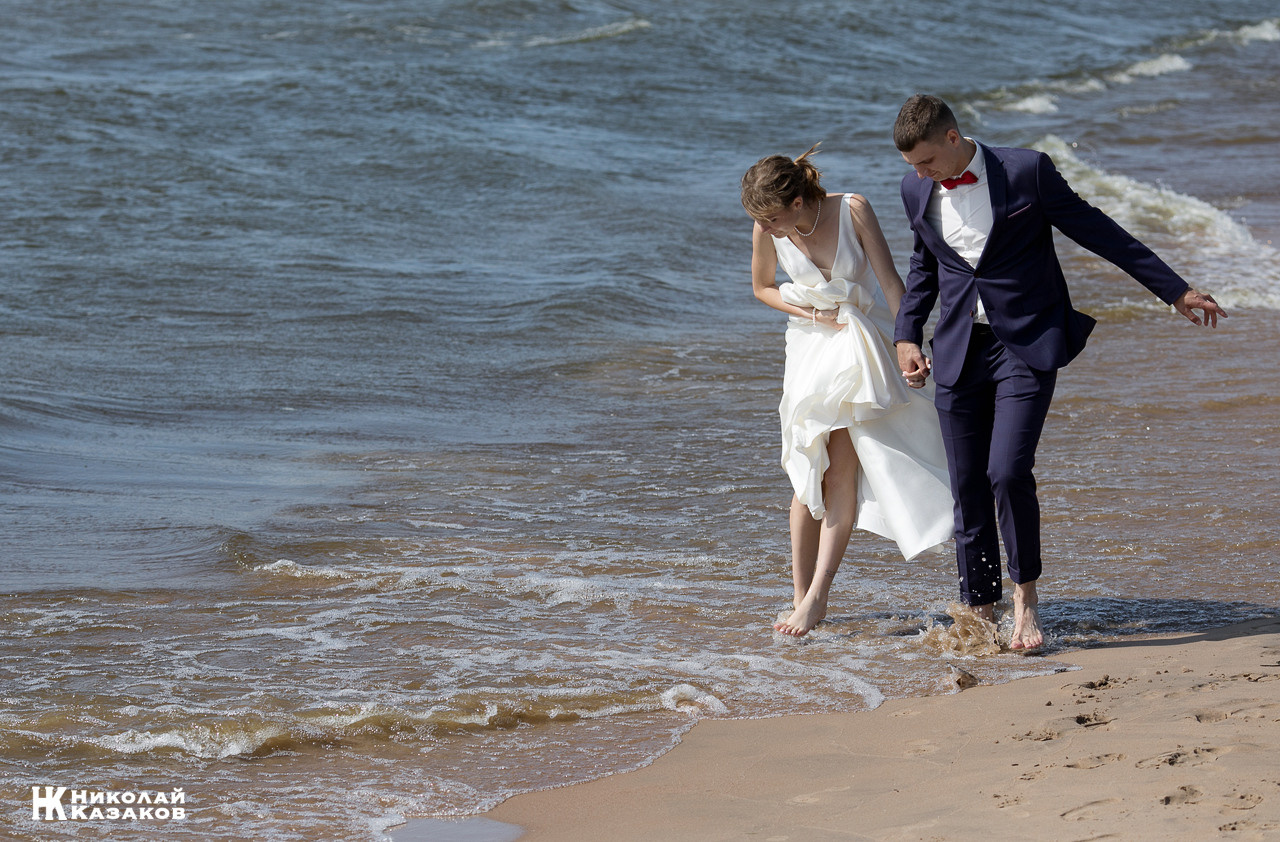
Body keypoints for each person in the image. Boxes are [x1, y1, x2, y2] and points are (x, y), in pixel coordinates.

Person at [891, 94, 1227, 651]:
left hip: (1026, 343)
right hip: (956, 349)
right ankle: (978, 610)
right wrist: (906, 335)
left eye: (926, 162)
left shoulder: (1028, 171)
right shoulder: (914, 188)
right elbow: (925, 265)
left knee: (1007, 472)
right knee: (968, 486)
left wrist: (1174, 289)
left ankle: (1025, 601)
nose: (921, 175)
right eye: (913, 168)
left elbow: (1098, 230)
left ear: (953, 138)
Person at [741, 144, 954, 638]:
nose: (768, 229)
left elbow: (889, 279)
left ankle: (817, 597)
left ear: (798, 202)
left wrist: (909, 343)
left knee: (840, 468)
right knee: (806, 472)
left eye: (773, 218)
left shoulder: (852, 208)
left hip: (863, 340)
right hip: (812, 345)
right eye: (761, 221)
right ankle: (800, 594)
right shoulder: (764, 225)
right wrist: (812, 314)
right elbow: (763, 288)